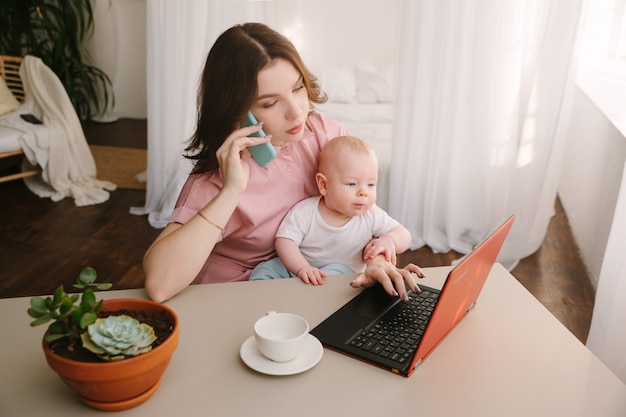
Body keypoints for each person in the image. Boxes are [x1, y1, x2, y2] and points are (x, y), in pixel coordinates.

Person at [143, 23, 423, 303]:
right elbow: (159, 285)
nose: (296, 112)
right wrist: (231, 191)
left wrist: (377, 262)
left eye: (298, 88)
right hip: (235, 294)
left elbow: (357, 212)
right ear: (236, 111)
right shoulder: (215, 178)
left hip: (308, 284)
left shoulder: (327, 136)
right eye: (270, 103)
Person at [250, 136, 412, 285]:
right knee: (266, 269)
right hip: (298, 268)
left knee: (336, 271)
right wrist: (302, 267)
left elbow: (404, 234)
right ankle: (260, 299)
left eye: (371, 184)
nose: (364, 192)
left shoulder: (371, 215)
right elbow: (285, 241)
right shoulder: (306, 211)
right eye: (352, 184)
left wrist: (390, 240)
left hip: (340, 276)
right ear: (324, 185)